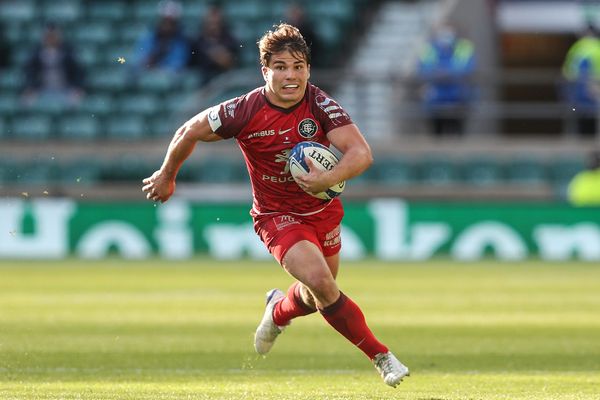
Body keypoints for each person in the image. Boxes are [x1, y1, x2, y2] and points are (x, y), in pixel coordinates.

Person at [142, 23, 409, 388]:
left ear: (308, 70)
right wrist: (167, 174)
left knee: (318, 296)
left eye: (298, 66)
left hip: (323, 212)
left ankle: (278, 310)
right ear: (265, 70)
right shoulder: (244, 110)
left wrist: (325, 180)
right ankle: (382, 356)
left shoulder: (320, 104)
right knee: (322, 284)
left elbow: (361, 153)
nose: (291, 75)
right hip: (276, 216)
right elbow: (189, 130)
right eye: (281, 67)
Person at [417, 23, 476, 136]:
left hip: (458, 100)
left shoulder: (464, 48)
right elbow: (424, 70)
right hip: (435, 102)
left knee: (457, 136)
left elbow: (467, 69)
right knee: (436, 137)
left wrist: (444, 73)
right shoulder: (429, 49)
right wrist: (444, 74)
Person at [21, 23, 85, 108]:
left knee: (76, 102)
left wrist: (77, 88)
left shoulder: (69, 52)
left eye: (53, 36)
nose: (51, 39)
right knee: (26, 102)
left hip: (66, 89)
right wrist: (30, 88)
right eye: (48, 36)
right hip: (41, 89)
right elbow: (29, 72)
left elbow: (78, 71)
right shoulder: (36, 53)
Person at [562, 24, 600, 136]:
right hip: (590, 88)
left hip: (576, 88)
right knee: (591, 121)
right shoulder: (596, 46)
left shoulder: (576, 47)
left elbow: (568, 71)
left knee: (579, 120)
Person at [132, 0, 189, 73]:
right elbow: (138, 61)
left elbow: (178, 65)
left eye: (171, 22)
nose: (167, 25)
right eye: (165, 21)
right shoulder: (147, 38)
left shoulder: (182, 42)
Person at [188, 3, 238, 85]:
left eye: (216, 19)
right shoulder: (197, 40)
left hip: (224, 80)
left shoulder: (230, 40)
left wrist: (224, 59)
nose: (213, 21)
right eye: (210, 19)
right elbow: (191, 63)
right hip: (202, 81)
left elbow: (234, 62)